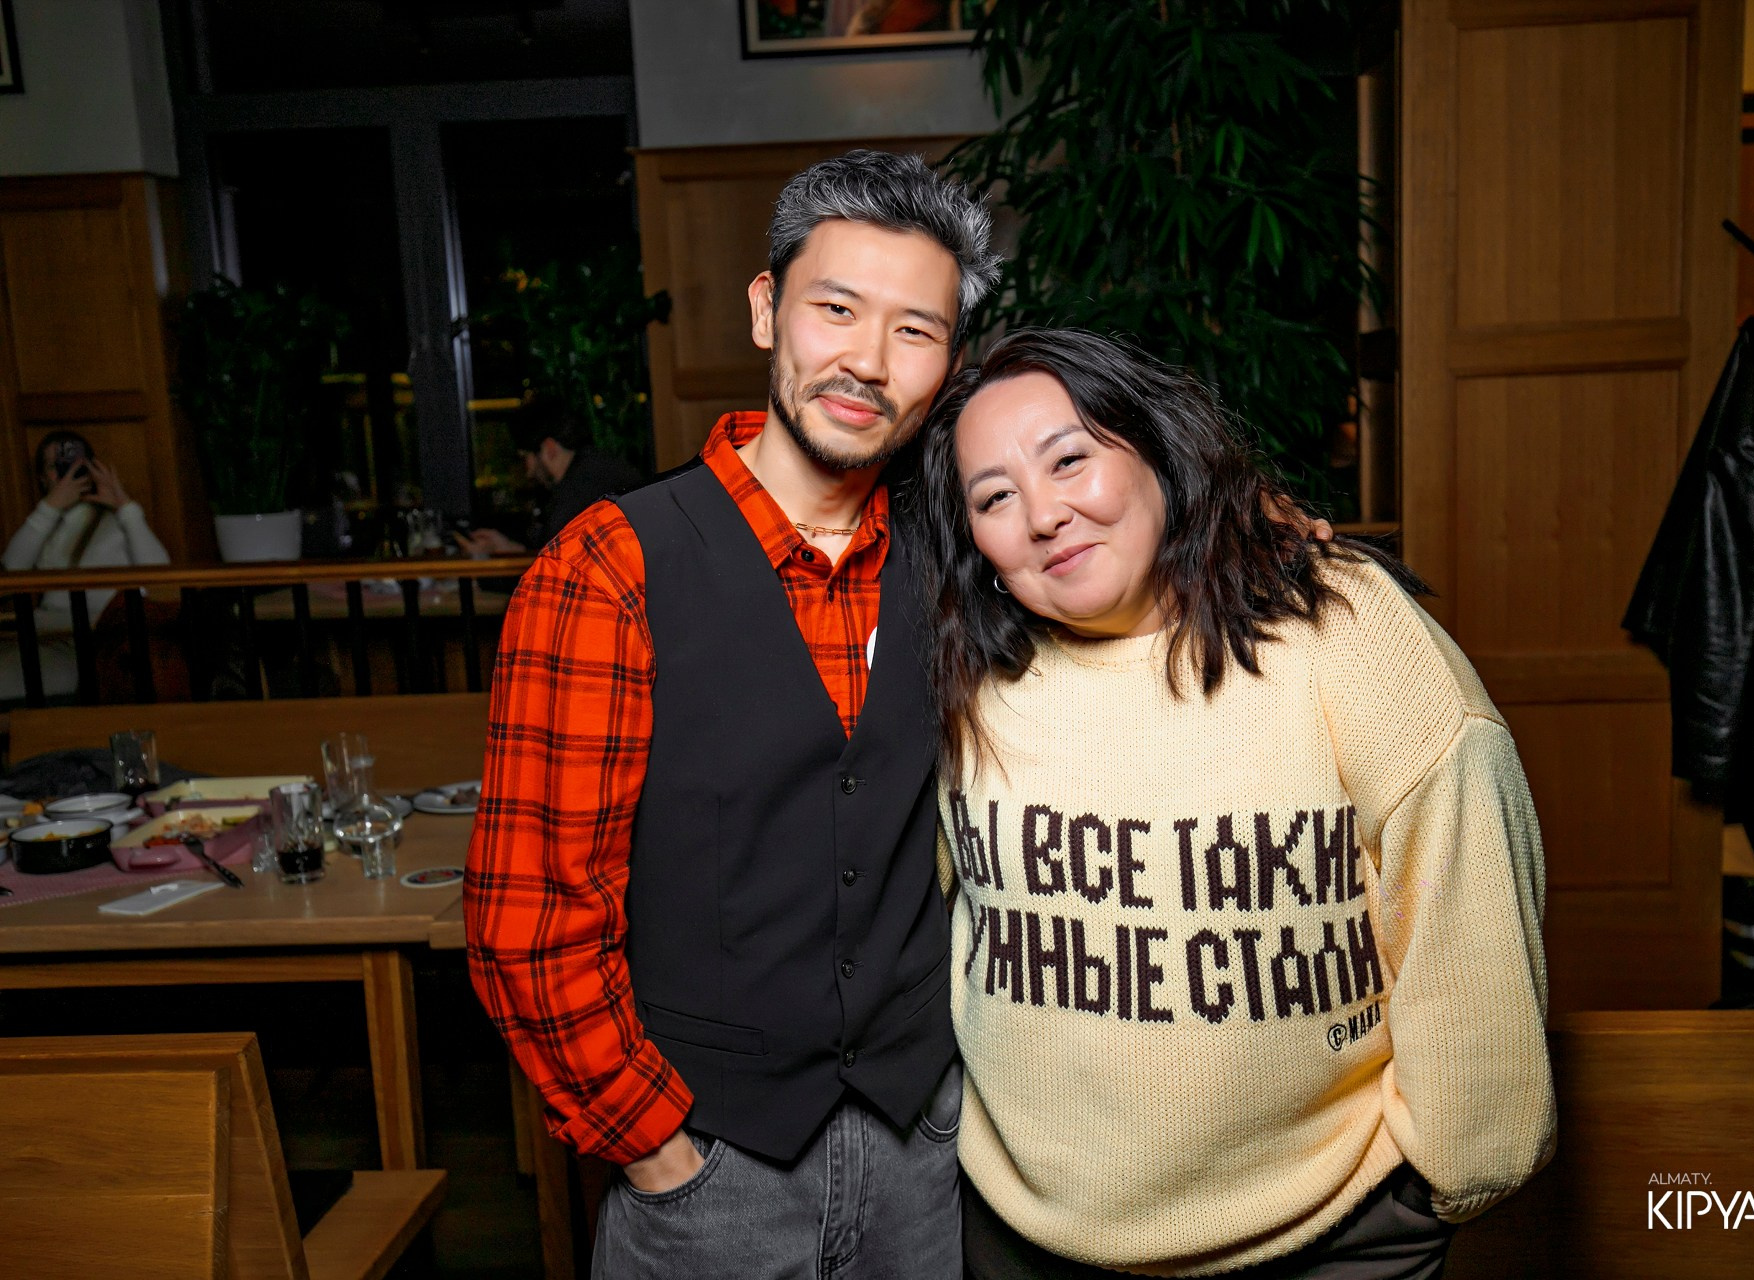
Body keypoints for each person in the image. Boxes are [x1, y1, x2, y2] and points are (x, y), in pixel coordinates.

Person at [914, 329, 1555, 1279]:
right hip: (1021, 1239)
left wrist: (1448, 1178)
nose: (1044, 513)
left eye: (1070, 459)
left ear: (1155, 448)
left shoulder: (1338, 629)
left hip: (1324, 1237)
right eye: (994, 497)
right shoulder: (967, 674)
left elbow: (1460, 889)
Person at [465, 150, 1002, 1280]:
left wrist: (1258, 531)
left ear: (949, 365)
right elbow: (530, 917)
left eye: (915, 330)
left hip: (924, 1152)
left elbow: (1122, 536)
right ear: (767, 310)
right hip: (711, 1175)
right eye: (836, 309)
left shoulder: (964, 549)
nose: (868, 361)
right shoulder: (610, 567)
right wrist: (659, 1150)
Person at [0, 431, 171, 700]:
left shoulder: (118, 523)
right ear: (42, 479)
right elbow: (10, 572)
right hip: (43, 640)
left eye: (73, 463)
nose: (65, 472)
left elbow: (163, 579)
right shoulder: (44, 524)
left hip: (96, 644)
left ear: (91, 468)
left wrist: (125, 507)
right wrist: (49, 509)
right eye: (55, 466)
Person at [455, 396, 647, 557]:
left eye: (526, 457)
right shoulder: (595, 473)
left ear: (549, 449)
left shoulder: (578, 494)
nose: (528, 471)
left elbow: (555, 570)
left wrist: (492, 558)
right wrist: (508, 548)